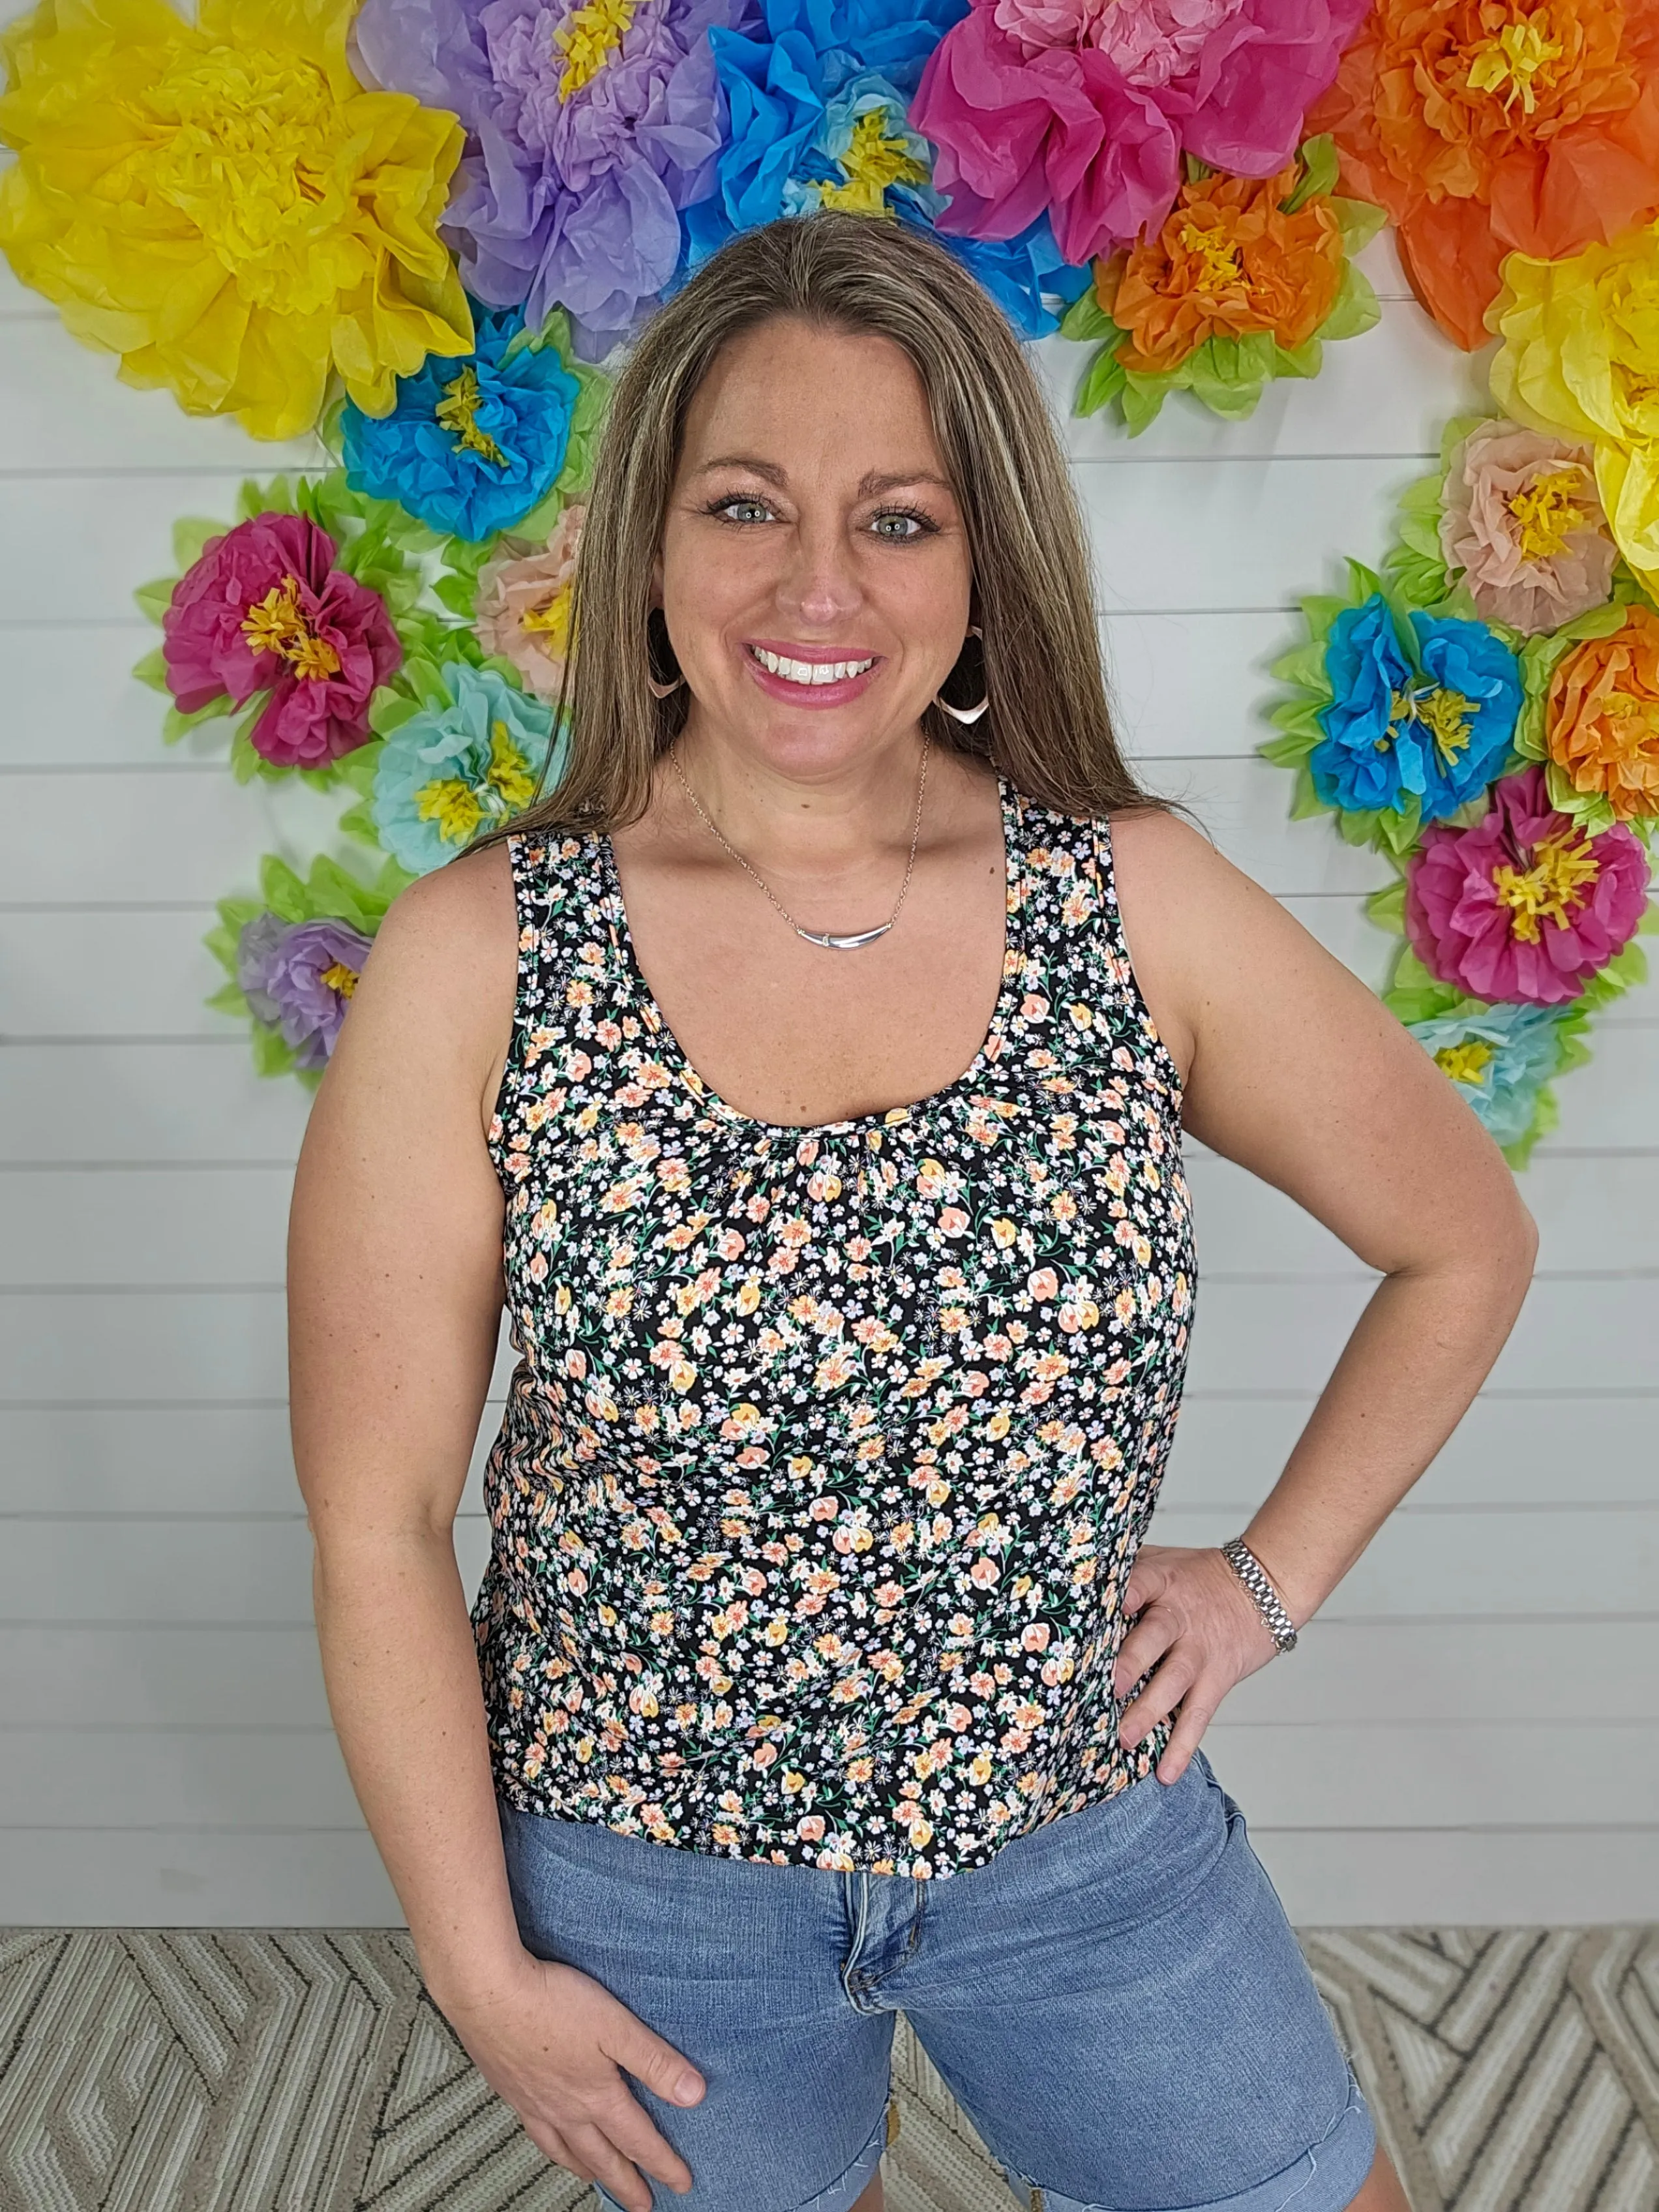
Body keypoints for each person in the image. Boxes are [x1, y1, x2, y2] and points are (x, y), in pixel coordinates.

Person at [289, 211, 1534, 2212]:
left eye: (899, 518)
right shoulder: (480, 960)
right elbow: (375, 1526)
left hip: (1077, 1843)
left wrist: (1266, 1582)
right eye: (745, 505)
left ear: (985, 557)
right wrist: (477, 1962)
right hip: (651, 1878)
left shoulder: (1129, 900)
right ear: (652, 546)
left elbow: (1464, 1238)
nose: (815, 586)